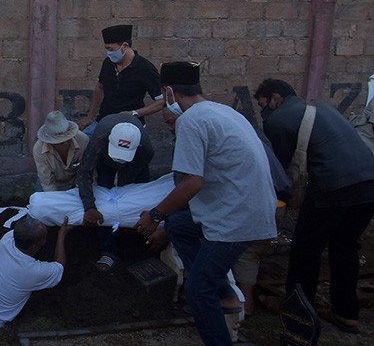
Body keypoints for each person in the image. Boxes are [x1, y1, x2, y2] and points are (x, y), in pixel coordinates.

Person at [134, 61, 277, 346]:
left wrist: (155, 215)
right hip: (251, 208)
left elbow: (191, 183)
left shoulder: (191, 121)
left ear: (170, 92)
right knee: (179, 226)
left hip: (236, 219)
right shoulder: (222, 111)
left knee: (198, 290)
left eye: (163, 97)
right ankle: (224, 293)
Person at [254, 78, 374, 333]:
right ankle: (346, 314)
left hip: (334, 186)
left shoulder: (277, 120)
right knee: (345, 246)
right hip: (369, 183)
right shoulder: (322, 107)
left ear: (275, 98)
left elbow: (281, 170)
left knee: (305, 249)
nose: (263, 112)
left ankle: (297, 310)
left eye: (263, 105)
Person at [0, 216, 74, 330]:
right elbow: (59, 267)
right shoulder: (32, 272)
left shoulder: (6, 240)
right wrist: (62, 234)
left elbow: (28, 230)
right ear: (34, 247)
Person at [77, 113, 153, 270]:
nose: (119, 162)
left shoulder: (146, 150)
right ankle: (109, 250)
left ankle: (139, 243)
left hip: (134, 163)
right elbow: (84, 172)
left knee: (140, 199)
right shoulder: (99, 140)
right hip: (105, 160)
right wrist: (89, 207)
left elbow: (128, 183)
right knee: (105, 200)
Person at [78, 24, 164, 137]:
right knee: (82, 141)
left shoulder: (146, 69)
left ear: (124, 46)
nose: (109, 53)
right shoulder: (108, 63)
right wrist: (90, 117)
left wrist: (134, 113)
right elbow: (100, 87)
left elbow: (161, 102)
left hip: (129, 126)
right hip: (103, 121)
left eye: (111, 49)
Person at [33, 111, 90, 191]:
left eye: (68, 139)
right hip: (53, 184)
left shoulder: (83, 140)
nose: (66, 143)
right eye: (61, 142)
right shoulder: (38, 150)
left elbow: (87, 173)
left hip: (75, 183)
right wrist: (56, 198)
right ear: (50, 142)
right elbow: (48, 183)